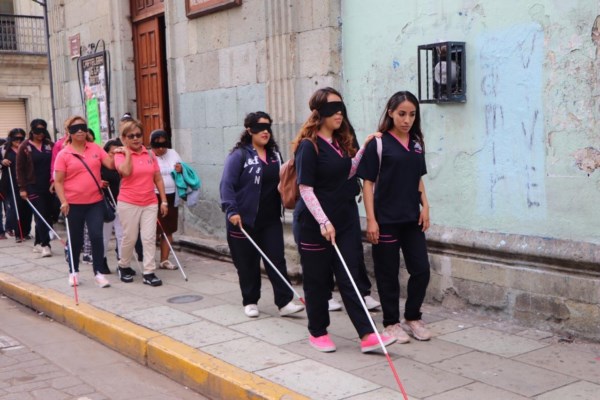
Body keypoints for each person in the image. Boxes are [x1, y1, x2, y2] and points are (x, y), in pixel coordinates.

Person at [293, 87, 395, 353]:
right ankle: (317, 332)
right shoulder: (309, 146)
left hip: (345, 220)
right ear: (319, 113)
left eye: (341, 108)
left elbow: (349, 172)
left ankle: (367, 334)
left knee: (350, 276)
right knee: (316, 281)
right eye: (332, 109)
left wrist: (364, 148)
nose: (339, 114)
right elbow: (305, 189)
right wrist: (323, 222)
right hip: (315, 226)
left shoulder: (340, 143)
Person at [358, 90, 432, 342]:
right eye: (402, 114)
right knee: (388, 273)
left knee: (421, 269)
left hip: (411, 219)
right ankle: (391, 322)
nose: (407, 120)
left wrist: (426, 206)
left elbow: (417, 179)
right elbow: (367, 183)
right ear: (390, 113)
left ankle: (412, 316)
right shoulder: (378, 144)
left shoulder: (416, 143)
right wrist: (371, 219)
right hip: (385, 220)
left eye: (412, 115)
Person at [220, 112, 305, 318]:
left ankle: (284, 302)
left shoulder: (275, 155)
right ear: (249, 131)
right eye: (260, 128)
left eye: (268, 127)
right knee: (247, 263)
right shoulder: (239, 155)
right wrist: (231, 210)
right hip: (243, 220)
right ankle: (250, 300)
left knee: (276, 259)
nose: (265, 132)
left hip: (270, 219)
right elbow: (227, 185)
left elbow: (283, 182)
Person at [53, 116, 116, 287]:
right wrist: (63, 201)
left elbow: (110, 164)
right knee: (76, 239)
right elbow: (58, 181)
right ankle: (73, 271)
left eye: (82, 127)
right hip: (73, 204)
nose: (80, 131)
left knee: (97, 236)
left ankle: (98, 273)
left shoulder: (95, 148)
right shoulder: (63, 154)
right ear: (69, 132)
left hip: (95, 201)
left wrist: (118, 152)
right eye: (75, 128)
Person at [114, 118, 168, 287]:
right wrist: (128, 153)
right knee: (130, 237)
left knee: (149, 238)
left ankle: (149, 272)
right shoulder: (119, 154)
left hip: (150, 201)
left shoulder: (150, 154)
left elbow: (157, 178)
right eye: (131, 136)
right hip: (129, 202)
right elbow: (125, 171)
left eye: (138, 135)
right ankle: (123, 265)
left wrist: (164, 201)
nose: (136, 138)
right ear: (124, 138)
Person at [16, 119, 54, 257]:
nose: (40, 134)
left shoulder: (50, 145)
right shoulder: (24, 146)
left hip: (49, 186)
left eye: (43, 131)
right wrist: (22, 188)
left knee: (48, 215)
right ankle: (45, 244)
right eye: (37, 131)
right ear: (31, 130)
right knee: (41, 214)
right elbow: (19, 169)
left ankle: (38, 242)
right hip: (32, 186)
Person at [149, 130, 182, 270]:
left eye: (163, 145)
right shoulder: (148, 155)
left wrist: (180, 169)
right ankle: (148, 260)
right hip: (153, 195)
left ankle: (164, 259)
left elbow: (182, 169)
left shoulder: (173, 153)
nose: (161, 148)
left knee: (168, 228)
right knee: (151, 230)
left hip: (171, 194)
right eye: (157, 145)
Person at [1, 129, 33, 242]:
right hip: (11, 183)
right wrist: (2, 162)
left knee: (28, 208)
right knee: (16, 208)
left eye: (21, 138)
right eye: (15, 138)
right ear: (11, 139)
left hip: (26, 182)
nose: (18, 141)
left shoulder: (27, 149)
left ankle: (26, 231)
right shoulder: (4, 150)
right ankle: (18, 233)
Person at [101, 138, 124, 272]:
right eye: (112, 153)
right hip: (106, 204)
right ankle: (102, 260)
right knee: (105, 235)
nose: (115, 156)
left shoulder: (123, 165)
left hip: (122, 203)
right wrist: (100, 182)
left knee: (122, 235)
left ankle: (122, 263)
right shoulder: (101, 166)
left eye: (118, 153)